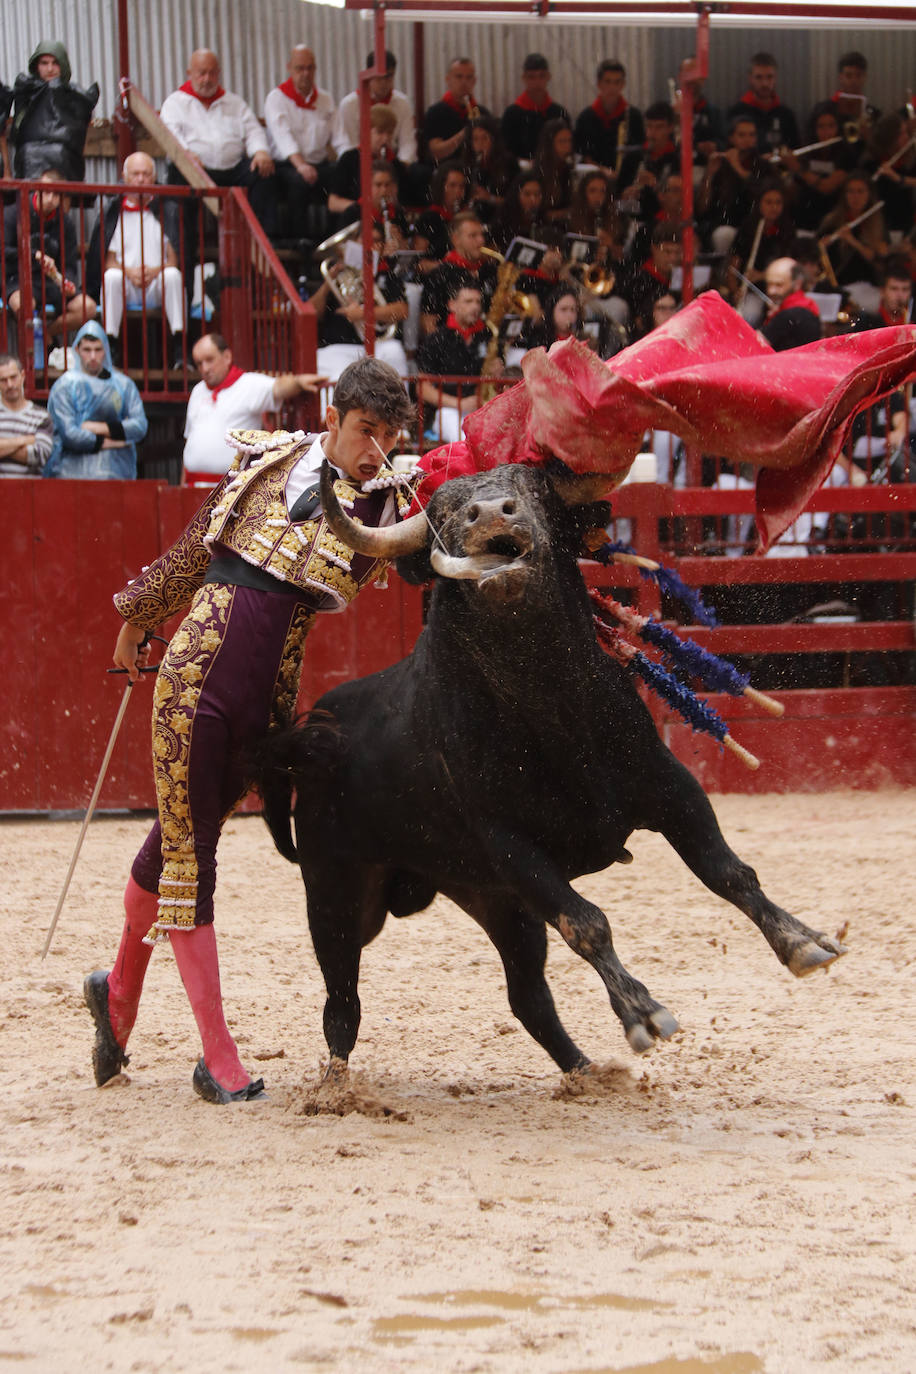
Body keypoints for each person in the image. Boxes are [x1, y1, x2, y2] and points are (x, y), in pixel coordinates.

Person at [83, 357, 416, 1104]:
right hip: (195, 678)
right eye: (366, 431)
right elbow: (199, 545)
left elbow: (367, 568)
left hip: (265, 710)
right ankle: (218, 1059)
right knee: (192, 859)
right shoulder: (266, 462)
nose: (377, 448)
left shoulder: (384, 509)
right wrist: (138, 621)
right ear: (333, 418)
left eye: (389, 436)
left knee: (174, 842)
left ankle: (115, 998)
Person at [159, 49, 276, 235]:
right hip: (195, 171)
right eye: (201, 73)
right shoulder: (175, 103)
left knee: (263, 174)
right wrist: (186, 154)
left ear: (218, 73)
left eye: (212, 73)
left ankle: (260, 243)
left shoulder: (234, 103)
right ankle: (185, 252)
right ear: (190, 74)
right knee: (178, 177)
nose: (207, 79)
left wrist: (260, 151)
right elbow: (171, 135)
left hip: (232, 171)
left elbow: (253, 130)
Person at [182, 333, 325, 485]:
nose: (205, 368)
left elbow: (277, 387)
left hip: (230, 487)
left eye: (210, 360)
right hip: (192, 485)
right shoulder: (198, 390)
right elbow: (189, 443)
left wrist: (297, 382)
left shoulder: (247, 384)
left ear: (227, 357)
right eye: (199, 363)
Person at [85, 152, 185, 362]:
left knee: (173, 276)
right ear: (125, 176)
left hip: (156, 285)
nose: (141, 179)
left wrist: (153, 272)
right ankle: (111, 343)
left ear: (154, 176)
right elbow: (108, 259)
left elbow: (174, 259)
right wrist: (129, 272)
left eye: (146, 174)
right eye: (136, 174)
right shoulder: (114, 211)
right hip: (128, 286)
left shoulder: (167, 209)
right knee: (111, 277)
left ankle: (179, 346)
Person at [4, 169, 97, 348]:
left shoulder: (65, 223)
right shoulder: (13, 213)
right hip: (17, 277)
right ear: (35, 189)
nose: (50, 198)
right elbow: (3, 249)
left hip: (51, 281)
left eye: (56, 194)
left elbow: (69, 263)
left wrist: (66, 282)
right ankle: (34, 352)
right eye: (46, 191)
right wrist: (34, 255)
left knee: (88, 308)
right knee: (24, 305)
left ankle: (46, 334)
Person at [45, 321, 148, 480]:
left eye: (98, 350)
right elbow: (70, 435)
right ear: (77, 350)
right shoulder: (64, 386)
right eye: (87, 350)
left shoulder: (123, 385)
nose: (93, 356)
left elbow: (139, 426)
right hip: (71, 476)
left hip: (117, 474)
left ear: (105, 350)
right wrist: (115, 442)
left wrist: (96, 427)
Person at [311, 221, 409, 380]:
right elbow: (312, 312)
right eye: (365, 240)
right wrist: (328, 283)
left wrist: (363, 313)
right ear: (353, 242)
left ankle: (397, 405)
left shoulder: (388, 276)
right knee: (337, 377)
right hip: (338, 348)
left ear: (382, 248)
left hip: (378, 346)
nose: (370, 245)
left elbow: (402, 310)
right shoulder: (336, 275)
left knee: (395, 351)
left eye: (376, 241)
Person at [417, 279, 498, 443]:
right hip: (445, 411)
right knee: (464, 441)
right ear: (452, 305)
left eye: (477, 302)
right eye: (468, 301)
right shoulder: (437, 339)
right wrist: (459, 403)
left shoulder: (487, 336)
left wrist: (496, 371)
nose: (475, 307)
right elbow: (422, 389)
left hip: (480, 408)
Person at [263, 45, 337, 225]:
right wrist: (301, 166)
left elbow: (339, 137)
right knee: (298, 181)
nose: (305, 73)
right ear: (289, 68)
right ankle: (299, 240)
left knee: (342, 177)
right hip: (287, 165)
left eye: (310, 68)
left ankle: (335, 237)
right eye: (300, 68)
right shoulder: (276, 98)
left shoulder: (325, 100)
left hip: (318, 164)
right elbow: (283, 137)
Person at [10, 40, 98, 181]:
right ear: (37, 66)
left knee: (59, 154)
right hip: (29, 159)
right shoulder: (27, 90)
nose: (50, 69)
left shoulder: (74, 94)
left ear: (63, 65)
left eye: (55, 63)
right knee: (29, 153)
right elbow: (17, 129)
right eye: (44, 63)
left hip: (65, 159)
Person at [332, 49, 417, 165]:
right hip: (359, 163)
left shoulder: (403, 103)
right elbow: (347, 143)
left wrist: (402, 166)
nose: (383, 83)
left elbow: (407, 142)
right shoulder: (349, 105)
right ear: (368, 74)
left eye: (388, 77)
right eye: (379, 77)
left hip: (391, 162)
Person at [420, 211, 497, 335]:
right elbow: (428, 321)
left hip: (488, 343)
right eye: (473, 236)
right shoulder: (440, 274)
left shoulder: (490, 270)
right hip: (452, 344)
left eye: (481, 235)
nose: (481, 240)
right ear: (456, 240)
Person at [573, 59, 645, 193]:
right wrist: (601, 170)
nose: (612, 87)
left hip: (626, 186)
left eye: (617, 82)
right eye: (608, 82)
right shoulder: (585, 117)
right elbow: (581, 155)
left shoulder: (634, 116)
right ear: (599, 84)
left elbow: (639, 154)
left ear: (623, 85)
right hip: (593, 185)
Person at [727, 52, 799, 157]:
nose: (764, 83)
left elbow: (796, 151)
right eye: (759, 77)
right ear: (750, 79)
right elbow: (729, 152)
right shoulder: (735, 113)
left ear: (775, 78)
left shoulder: (787, 115)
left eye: (769, 77)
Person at [421, 58, 490, 166]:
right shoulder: (436, 112)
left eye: (469, 77)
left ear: (474, 81)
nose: (464, 82)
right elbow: (436, 152)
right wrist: (465, 133)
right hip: (446, 168)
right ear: (448, 80)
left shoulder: (482, 113)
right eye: (459, 77)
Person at [500, 53, 569, 162]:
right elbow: (505, 152)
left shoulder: (559, 113)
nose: (537, 82)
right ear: (524, 78)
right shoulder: (512, 115)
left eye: (542, 76)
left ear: (548, 77)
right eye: (531, 77)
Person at [0, 353, 53, 477]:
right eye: (3, 380)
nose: (10, 385)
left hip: (30, 494)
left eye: (13, 377)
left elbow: (40, 456)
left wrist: (3, 446)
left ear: (22, 376)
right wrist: (24, 440)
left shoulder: (41, 416)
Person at [759, 257, 822, 350]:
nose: (771, 291)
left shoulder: (787, 315)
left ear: (797, 284)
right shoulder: (808, 307)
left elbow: (757, 343)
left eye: (779, 285)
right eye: (769, 284)